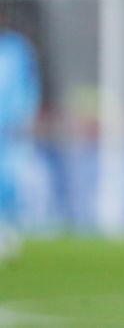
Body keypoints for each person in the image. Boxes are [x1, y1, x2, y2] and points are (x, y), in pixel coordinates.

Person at [0, 21, 41, 263]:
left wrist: (28, 114)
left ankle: (9, 229)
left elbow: (31, 84)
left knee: (9, 180)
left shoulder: (17, 48)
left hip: (12, 128)